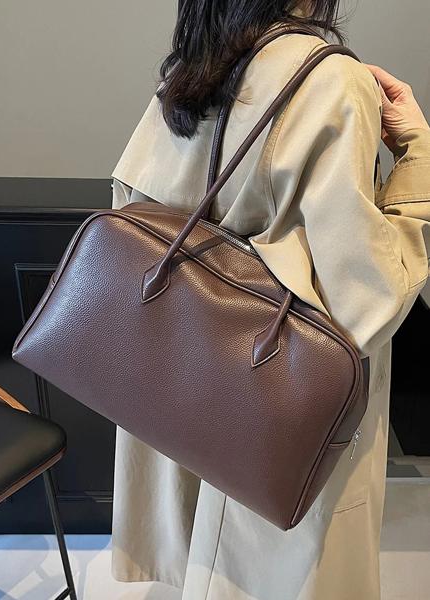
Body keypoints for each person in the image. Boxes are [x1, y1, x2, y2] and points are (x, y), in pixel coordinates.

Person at [109, 1, 430, 598]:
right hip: (272, 387)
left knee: (203, 552)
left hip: (176, 369)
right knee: (271, 568)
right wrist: (417, 161)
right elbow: (364, 304)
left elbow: (130, 205)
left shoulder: (192, 68)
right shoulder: (331, 79)